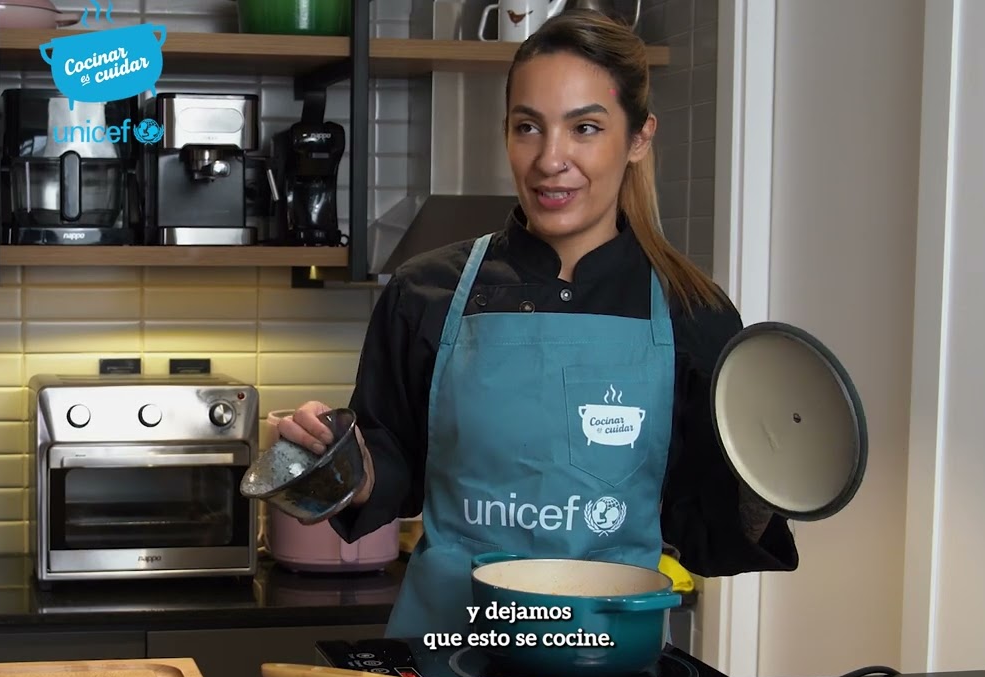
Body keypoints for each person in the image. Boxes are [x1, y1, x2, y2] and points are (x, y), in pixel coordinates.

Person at [276, 9, 799, 640]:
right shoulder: (426, 292)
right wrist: (344, 462)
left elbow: (707, 527)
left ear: (638, 138)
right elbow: (393, 467)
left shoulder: (694, 313)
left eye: (585, 128)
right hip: (448, 654)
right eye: (529, 127)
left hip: (609, 659)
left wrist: (780, 468)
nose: (551, 159)